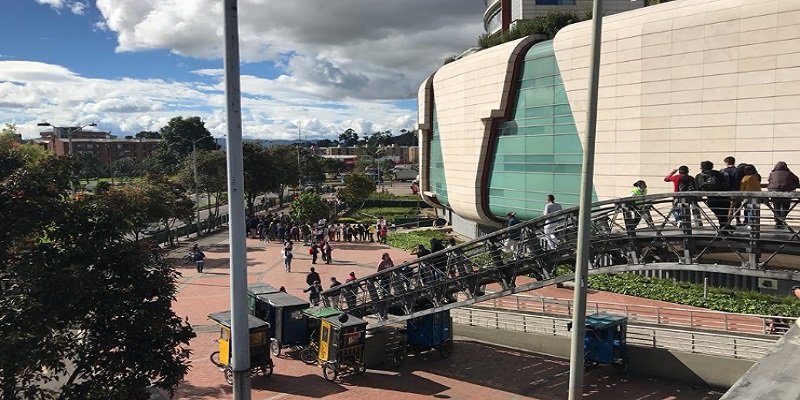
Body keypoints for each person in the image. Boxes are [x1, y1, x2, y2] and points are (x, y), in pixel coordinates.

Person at [696, 160, 731, 231]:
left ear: (702, 168)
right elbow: (726, 184)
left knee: (719, 215)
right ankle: (724, 228)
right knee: (723, 214)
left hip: (711, 199)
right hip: (724, 198)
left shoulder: (699, 176)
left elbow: (698, 189)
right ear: (712, 167)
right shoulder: (719, 174)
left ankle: (724, 228)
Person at [767, 161, 799, 229]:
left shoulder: (772, 174)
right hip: (786, 193)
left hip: (774, 193)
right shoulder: (789, 174)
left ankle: (778, 221)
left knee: (776, 208)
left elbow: (769, 181)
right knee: (785, 207)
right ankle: (782, 220)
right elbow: (796, 180)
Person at [721, 156, 744, 225]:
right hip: (737, 190)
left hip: (726, 192)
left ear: (727, 162)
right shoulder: (738, 170)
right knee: (737, 206)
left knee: (728, 207)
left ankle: (728, 221)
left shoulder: (723, 171)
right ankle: (738, 220)